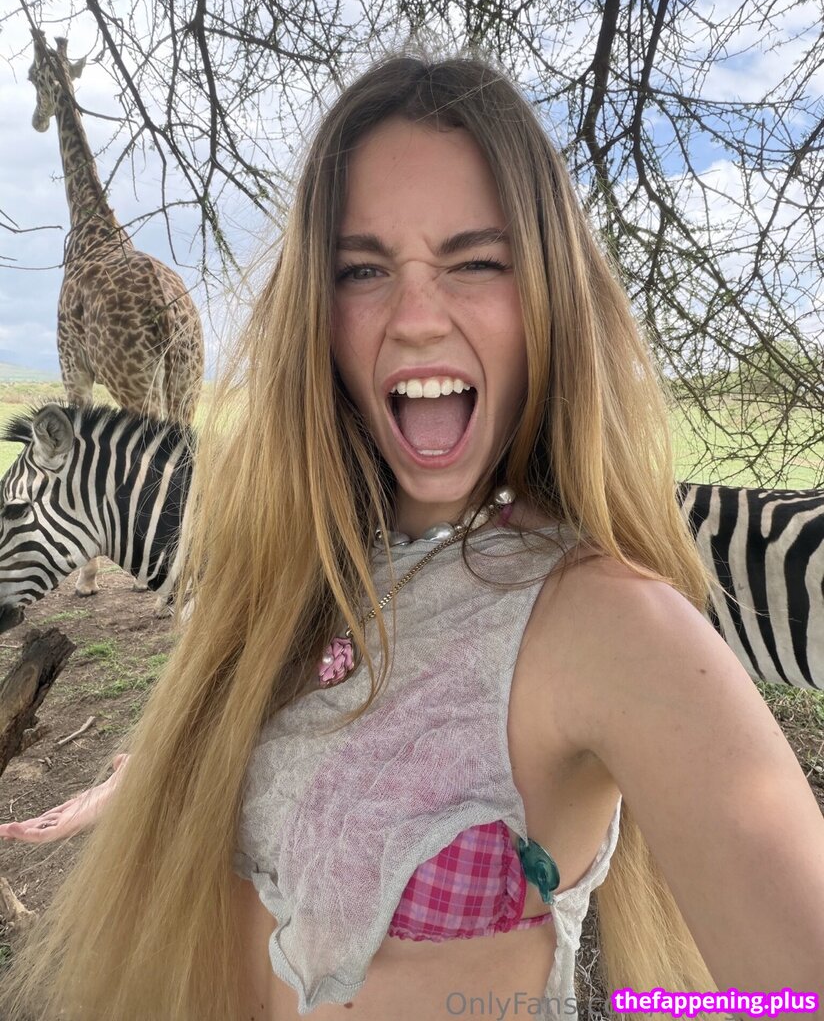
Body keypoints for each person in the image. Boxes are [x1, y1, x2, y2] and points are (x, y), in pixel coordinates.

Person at [1, 53, 823, 1021]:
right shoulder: (295, 567)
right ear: (318, 314)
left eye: (476, 261)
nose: (417, 317)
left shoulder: (611, 624)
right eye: (362, 269)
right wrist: (169, 777)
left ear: (549, 299)